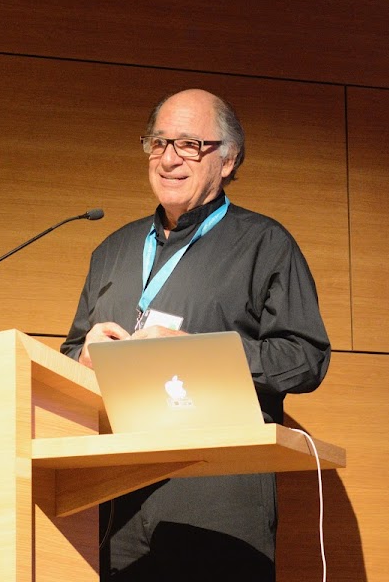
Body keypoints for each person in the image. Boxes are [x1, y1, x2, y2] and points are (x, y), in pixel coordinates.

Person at [60, 88, 331, 581]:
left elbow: (306, 357)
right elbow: (69, 354)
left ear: (227, 159)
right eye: (158, 143)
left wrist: (196, 355)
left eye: (189, 145)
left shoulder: (265, 244)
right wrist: (82, 356)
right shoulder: (112, 250)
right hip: (113, 496)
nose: (169, 159)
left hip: (215, 493)